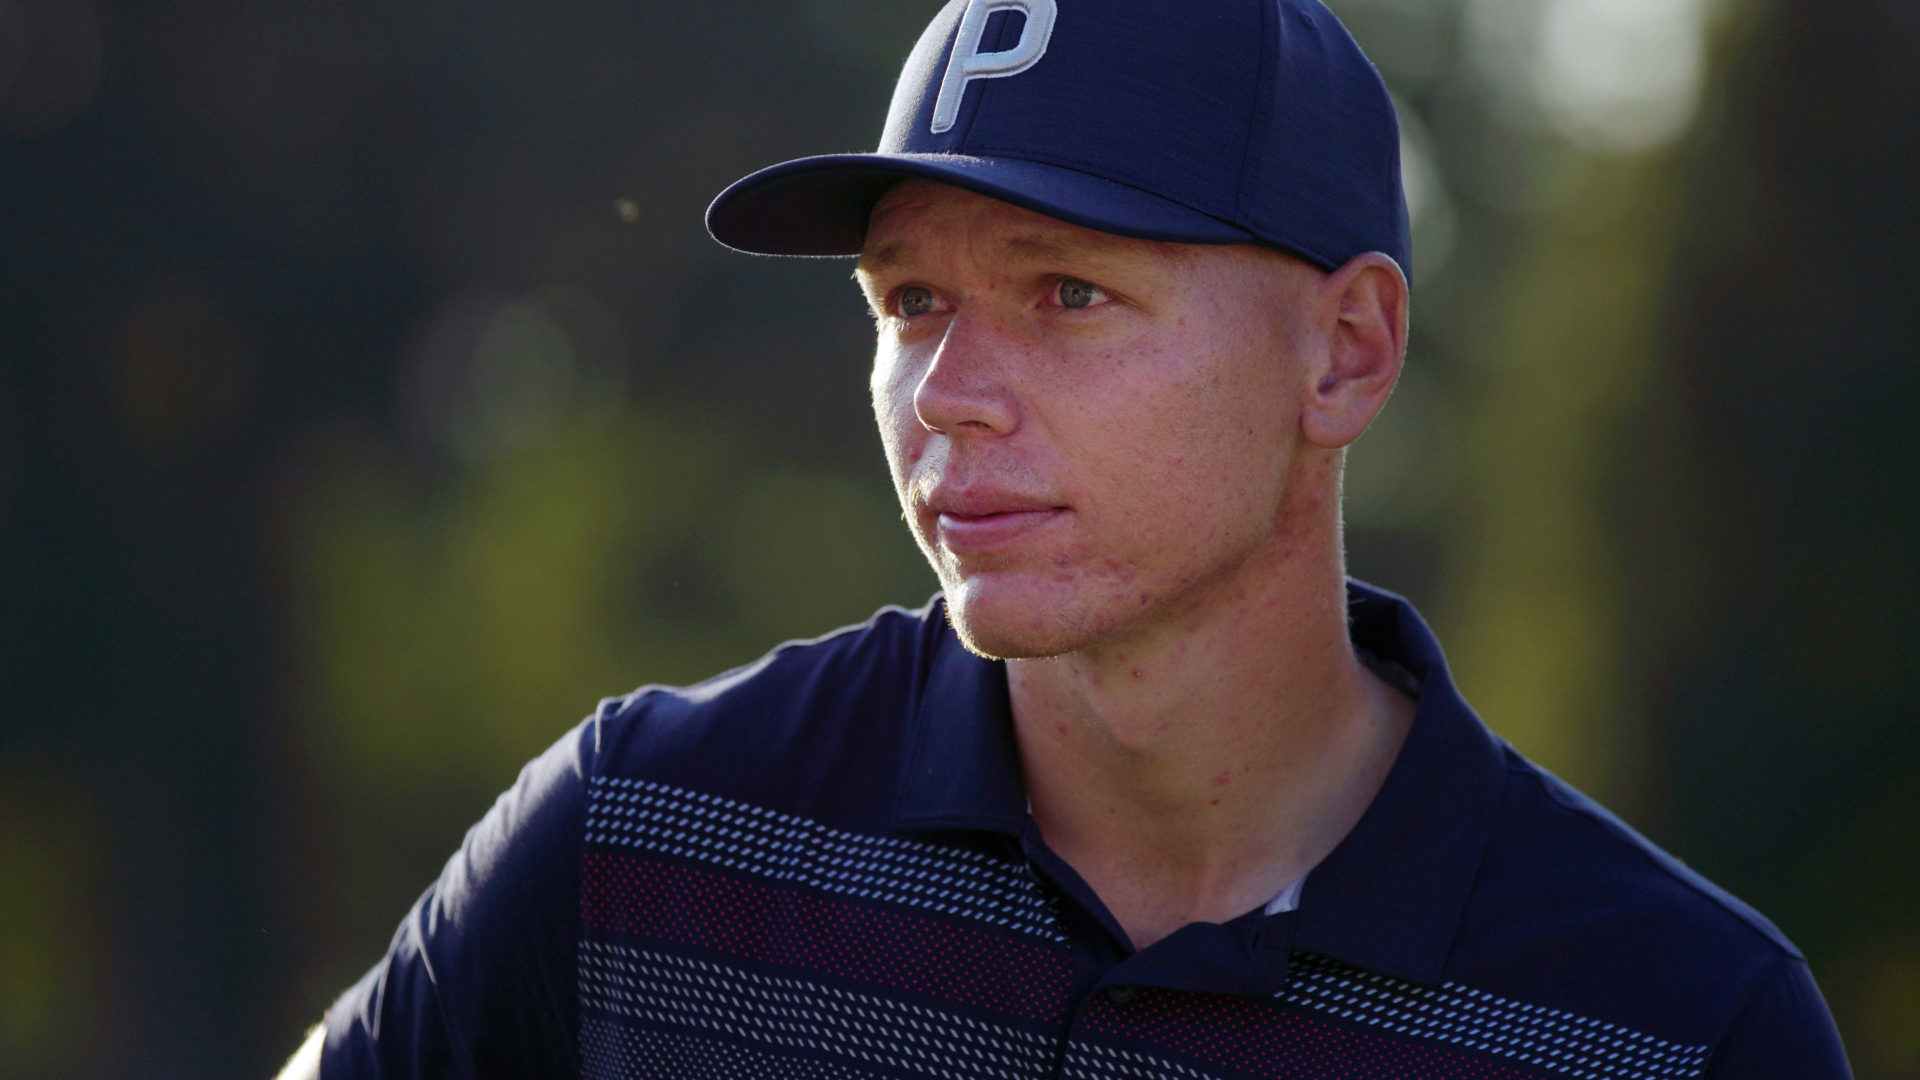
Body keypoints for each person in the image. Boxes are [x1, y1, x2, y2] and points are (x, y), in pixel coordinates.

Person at [282, 0, 1852, 1077]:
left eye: (1070, 295)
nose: (950, 396)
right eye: (911, 304)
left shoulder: (1674, 1026)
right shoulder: (640, 839)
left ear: (1348, 353)